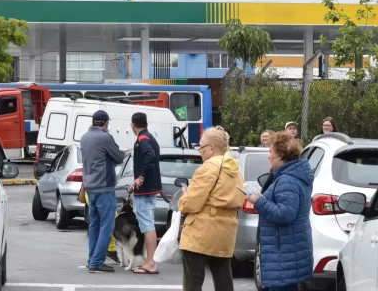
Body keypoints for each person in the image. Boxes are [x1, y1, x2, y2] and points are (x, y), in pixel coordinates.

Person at [178, 126, 245, 291]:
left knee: (193, 280)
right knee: (223, 277)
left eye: (201, 146)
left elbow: (192, 203)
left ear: (211, 148)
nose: (200, 151)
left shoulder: (208, 168)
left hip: (201, 230)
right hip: (226, 230)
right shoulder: (235, 170)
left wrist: (183, 200)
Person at [247, 131, 314, 291]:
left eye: (271, 152)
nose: (269, 156)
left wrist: (259, 202)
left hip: (283, 254)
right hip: (287, 252)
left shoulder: (287, 180)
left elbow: (285, 214)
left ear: (281, 156)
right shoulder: (290, 177)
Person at [80, 110, 125, 273]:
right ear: (105, 123)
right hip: (104, 187)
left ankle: (92, 259)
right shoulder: (105, 137)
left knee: (94, 225)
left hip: (90, 187)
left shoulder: (84, 137)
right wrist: (122, 152)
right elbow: (118, 158)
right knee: (107, 225)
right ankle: (97, 261)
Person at [130, 112, 162, 274]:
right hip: (151, 188)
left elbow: (149, 156)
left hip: (144, 190)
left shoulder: (142, 140)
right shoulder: (151, 138)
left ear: (133, 125)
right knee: (149, 224)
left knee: (147, 226)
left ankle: (150, 263)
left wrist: (140, 177)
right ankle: (150, 261)